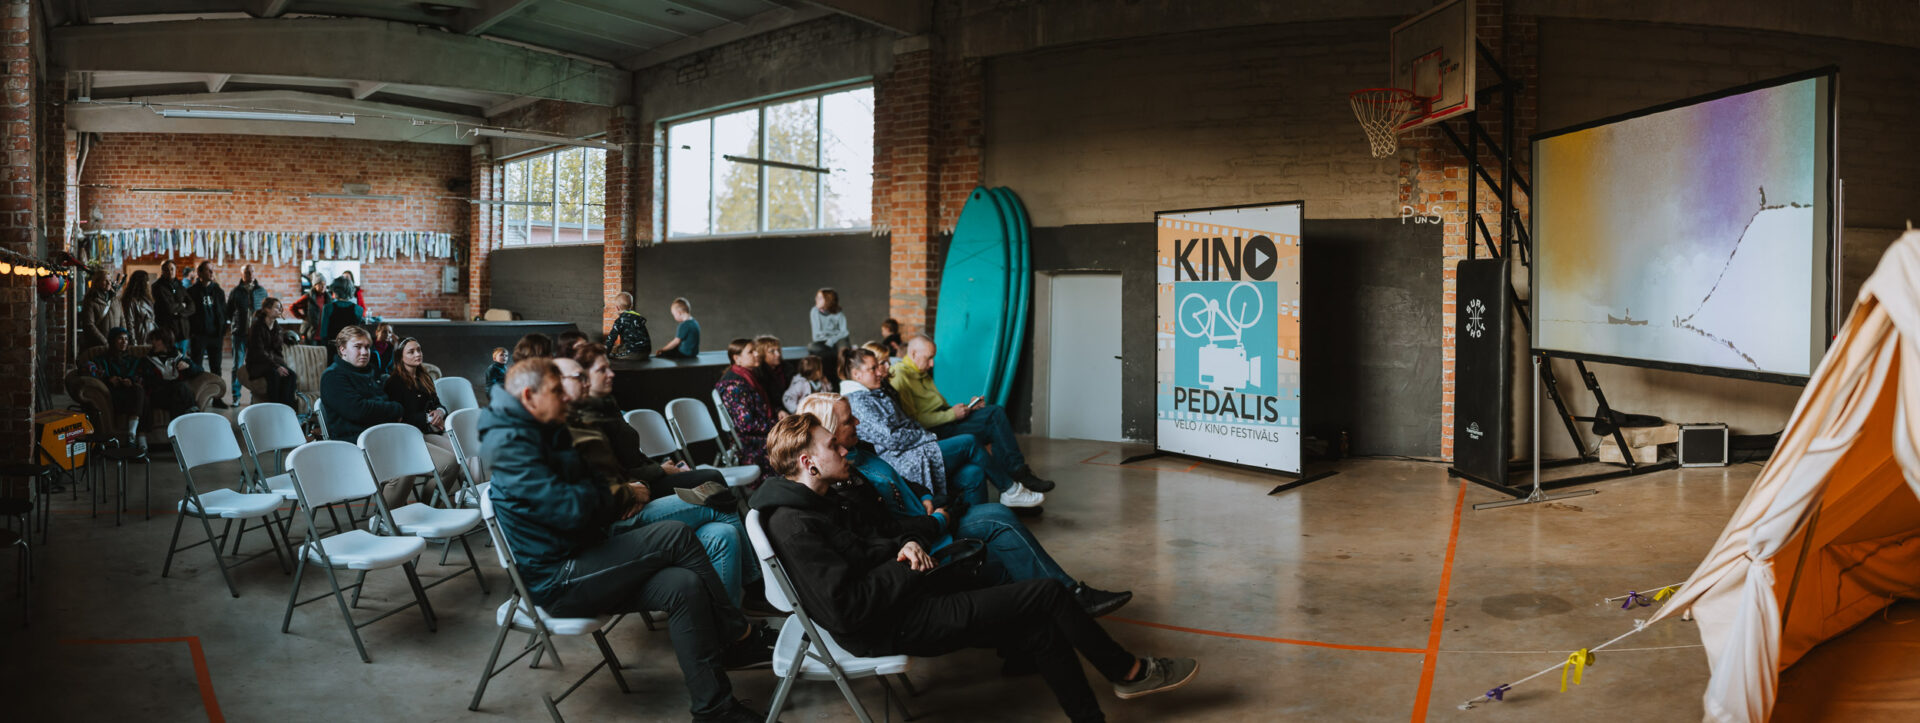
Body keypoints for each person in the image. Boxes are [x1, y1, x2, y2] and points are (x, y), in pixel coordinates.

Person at [752, 413, 1199, 723]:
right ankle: (1128, 673)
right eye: (832, 446)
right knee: (1046, 593)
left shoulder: (817, 502)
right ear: (808, 462)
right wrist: (908, 567)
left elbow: (867, 545)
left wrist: (906, 543)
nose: (843, 449)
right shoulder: (796, 525)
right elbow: (846, 609)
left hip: (903, 600)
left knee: (1040, 628)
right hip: (890, 623)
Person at [480, 359, 776, 722]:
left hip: (587, 555)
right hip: (559, 578)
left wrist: (613, 492)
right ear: (529, 396)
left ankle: (714, 708)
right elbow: (573, 514)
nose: (566, 398)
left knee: (683, 585)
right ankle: (737, 632)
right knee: (675, 533)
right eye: (557, 391)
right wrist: (618, 494)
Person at [797, 393, 1131, 617]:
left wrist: (924, 495)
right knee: (998, 516)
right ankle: (1071, 596)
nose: (857, 423)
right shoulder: (844, 477)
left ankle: (1049, 602)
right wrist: (941, 519)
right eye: (848, 421)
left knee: (974, 475)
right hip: (923, 534)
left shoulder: (861, 450)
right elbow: (886, 531)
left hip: (926, 517)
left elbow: (898, 479)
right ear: (829, 432)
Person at [559, 347, 757, 607]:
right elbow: (613, 478)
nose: (611, 373)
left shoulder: (606, 406)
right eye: (601, 370)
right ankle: (755, 587)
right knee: (715, 491)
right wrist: (650, 478)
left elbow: (630, 461)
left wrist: (653, 472)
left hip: (638, 486)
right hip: (620, 512)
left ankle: (730, 611)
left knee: (722, 529)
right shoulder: (580, 425)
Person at [840, 347, 1042, 509]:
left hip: (913, 448)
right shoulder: (858, 401)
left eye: (879, 366)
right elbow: (892, 438)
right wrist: (928, 436)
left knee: (973, 473)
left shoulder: (872, 394)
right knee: (970, 441)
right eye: (873, 369)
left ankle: (978, 530)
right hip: (903, 459)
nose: (880, 372)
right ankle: (1010, 489)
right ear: (857, 374)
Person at [893, 336, 1056, 492]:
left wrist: (968, 408)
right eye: (929, 358)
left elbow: (934, 408)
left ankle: (1017, 476)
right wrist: (952, 415)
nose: (932, 363)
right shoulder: (901, 376)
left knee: (995, 413)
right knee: (994, 420)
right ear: (913, 353)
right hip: (934, 432)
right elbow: (913, 421)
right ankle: (1017, 477)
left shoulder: (920, 372)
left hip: (945, 422)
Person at [321, 326, 458, 509]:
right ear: (342, 349)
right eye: (358, 347)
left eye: (367, 347)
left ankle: (428, 509)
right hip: (357, 446)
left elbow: (379, 405)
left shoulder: (370, 371)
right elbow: (359, 411)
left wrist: (385, 409)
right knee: (405, 469)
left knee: (450, 464)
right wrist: (394, 409)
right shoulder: (333, 377)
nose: (364, 352)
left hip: (390, 438)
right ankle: (386, 521)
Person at [714, 339, 779, 476]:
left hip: (760, 434)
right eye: (751, 352)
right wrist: (777, 425)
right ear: (737, 358)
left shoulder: (749, 377)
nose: (757, 354)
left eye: (756, 350)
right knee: (793, 442)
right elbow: (746, 424)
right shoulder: (733, 384)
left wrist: (778, 413)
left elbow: (762, 409)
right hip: (748, 442)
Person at [84, 328, 147, 422]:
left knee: (141, 394)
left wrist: (131, 381)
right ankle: (135, 430)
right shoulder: (103, 359)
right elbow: (89, 369)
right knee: (141, 397)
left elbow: (141, 375)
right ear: (113, 341)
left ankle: (133, 429)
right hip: (113, 394)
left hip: (132, 392)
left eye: (126, 339)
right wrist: (108, 379)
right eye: (120, 338)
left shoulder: (133, 360)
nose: (124, 342)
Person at [226, 264, 268, 402]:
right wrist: (236, 323)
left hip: (256, 336)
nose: (250, 274)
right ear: (242, 274)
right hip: (239, 334)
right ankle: (236, 396)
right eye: (247, 272)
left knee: (255, 365)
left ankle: (253, 396)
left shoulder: (262, 291)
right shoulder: (236, 291)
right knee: (237, 365)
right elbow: (229, 311)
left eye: (252, 272)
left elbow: (265, 312)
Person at [186, 262, 229, 396]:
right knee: (196, 367)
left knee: (216, 368)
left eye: (212, 270)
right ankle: (195, 396)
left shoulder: (218, 291)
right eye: (208, 270)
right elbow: (189, 314)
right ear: (200, 273)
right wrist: (192, 332)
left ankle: (217, 398)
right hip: (199, 335)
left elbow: (223, 312)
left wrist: (222, 330)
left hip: (215, 335)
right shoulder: (191, 292)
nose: (211, 273)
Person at [246, 298, 298, 406]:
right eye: (277, 307)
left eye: (281, 308)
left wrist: (286, 338)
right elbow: (258, 352)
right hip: (258, 363)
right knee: (274, 375)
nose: (280, 310)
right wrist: (276, 366)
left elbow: (277, 349)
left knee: (291, 375)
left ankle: (287, 408)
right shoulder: (257, 326)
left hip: (271, 362)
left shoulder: (277, 327)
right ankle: (274, 407)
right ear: (267, 309)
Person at [143, 329, 202, 417]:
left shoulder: (178, 357)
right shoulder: (147, 360)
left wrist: (188, 366)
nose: (153, 342)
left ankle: (182, 421)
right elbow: (149, 381)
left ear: (166, 341)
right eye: (152, 340)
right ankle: (193, 413)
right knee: (180, 388)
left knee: (179, 395)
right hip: (158, 395)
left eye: (156, 339)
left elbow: (200, 370)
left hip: (176, 395)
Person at [151, 259, 196, 354]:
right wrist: (182, 305)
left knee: (182, 359)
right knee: (170, 357)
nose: (170, 272)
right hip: (168, 330)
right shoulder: (157, 287)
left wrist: (180, 312)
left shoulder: (180, 286)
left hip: (183, 330)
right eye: (167, 270)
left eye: (172, 269)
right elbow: (168, 308)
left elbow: (192, 306)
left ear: (176, 270)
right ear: (163, 271)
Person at [80, 270, 123, 350]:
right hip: (98, 346)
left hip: (115, 345)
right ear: (97, 282)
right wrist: (105, 342)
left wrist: (123, 339)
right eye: (105, 280)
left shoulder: (116, 300)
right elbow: (89, 325)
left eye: (110, 280)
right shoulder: (90, 300)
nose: (109, 283)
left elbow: (122, 320)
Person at [320, 276, 366, 350]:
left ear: (335, 290)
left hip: (332, 348)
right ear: (351, 290)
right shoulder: (359, 309)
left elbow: (323, 334)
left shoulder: (328, 308)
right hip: (351, 348)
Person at [604, 292, 652, 359]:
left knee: (612, 354)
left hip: (633, 353)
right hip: (646, 352)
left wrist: (605, 354)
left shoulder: (620, 321)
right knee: (617, 348)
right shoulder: (638, 318)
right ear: (631, 306)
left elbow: (611, 339)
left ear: (617, 308)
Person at [751, 336, 788, 416]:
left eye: (778, 350)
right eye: (772, 351)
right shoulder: (759, 374)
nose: (778, 354)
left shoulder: (787, 369)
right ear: (761, 354)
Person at [808, 288, 848, 357]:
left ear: (828, 300)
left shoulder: (838, 313)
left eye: (820, 298)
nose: (816, 300)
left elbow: (844, 332)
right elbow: (816, 336)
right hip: (823, 343)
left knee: (843, 345)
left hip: (836, 341)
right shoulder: (814, 311)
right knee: (812, 347)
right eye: (816, 297)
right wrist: (834, 333)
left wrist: (832, 339)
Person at [291, 272, 330, 342]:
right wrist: (303, 317)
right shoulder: (308, 297)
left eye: (324, 284)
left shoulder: (328, 298)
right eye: (320, 284)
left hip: (324, 334)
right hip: (311, 333)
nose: (323, 287)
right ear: (315, 285)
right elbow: (293, 307)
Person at [120, 270, 156, 344]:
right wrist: (133, 342)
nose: (148, 283)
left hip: (150, 335)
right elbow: (130, 323)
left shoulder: (147, 299)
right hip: (140, 336)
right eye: (147, 280)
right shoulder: (131, 301)